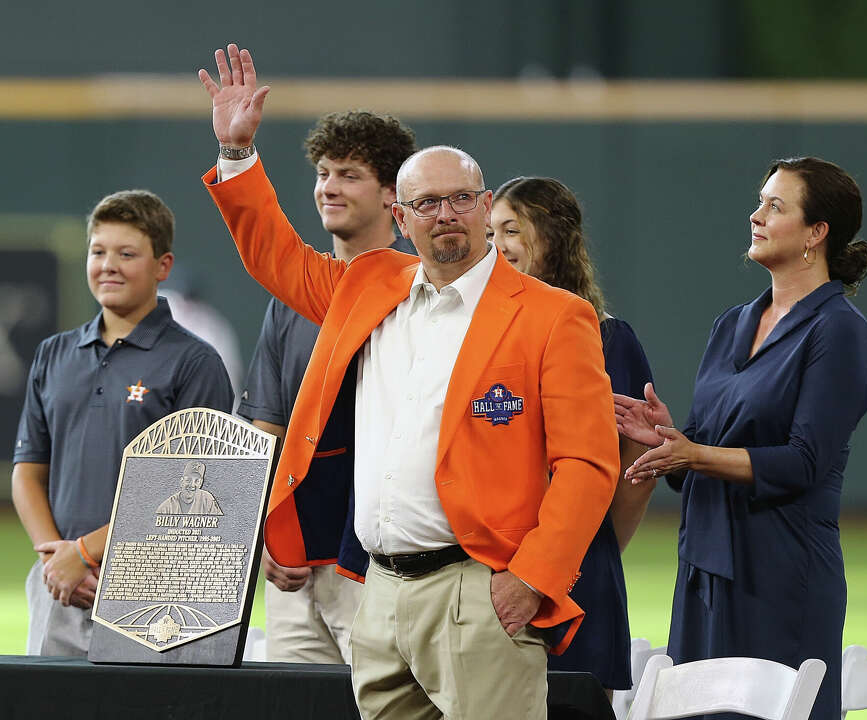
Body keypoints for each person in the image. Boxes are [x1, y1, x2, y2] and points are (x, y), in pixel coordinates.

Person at [198, 44, 619, 720]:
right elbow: (276, 257)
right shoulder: (371, 283)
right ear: (401, 216)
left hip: (478, 590)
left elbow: (588, 464)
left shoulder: (554, 315)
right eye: (427, 203)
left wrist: (532, 579)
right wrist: (238, 152)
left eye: (460, 199)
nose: (445, 214)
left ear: (486, 207)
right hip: (380, 590)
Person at [614, 157, 867, 720]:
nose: (755, 216)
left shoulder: (842, 333)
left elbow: (802, 463)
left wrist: (694, 452)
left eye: (775, 206)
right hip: (703, 568)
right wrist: (667, 440)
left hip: (780, 575)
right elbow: (703, 452)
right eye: (759, 202)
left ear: (816, 233)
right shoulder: (731, 323)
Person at [12, 189, 235, 656]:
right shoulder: (54, 354)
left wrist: (86, 553)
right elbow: (28, 470)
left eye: (127, 253)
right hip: (61, 584)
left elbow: (193, 490)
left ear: (163, 266)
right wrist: (56, 558)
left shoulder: (195, 362)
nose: (108, 265)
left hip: (157, 588)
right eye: (98, 252)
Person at [237, 109, 417, 664]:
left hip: (380, 561)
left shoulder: (420, 295)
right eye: (322, 173)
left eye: (349, 174)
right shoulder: (291, 300)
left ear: (393, 196)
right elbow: (264, 426)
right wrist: (264, 529)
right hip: (293, 560)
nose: (329, 187)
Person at [490, 176, 654, 697]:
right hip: (492, 572)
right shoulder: (473, 334)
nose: (497, 246)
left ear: (554, 237)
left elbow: (633, 474)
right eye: (490, 232)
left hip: (579, 571)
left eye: (512, 230)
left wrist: (589, 553)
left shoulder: (607, 338)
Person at [155, 460, 223, 515]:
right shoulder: (166, 507)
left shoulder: (208, 500)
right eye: (188, 480)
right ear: (182, 482)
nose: (192, 485)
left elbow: (221, 526)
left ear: (200, 483)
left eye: (197, 481)